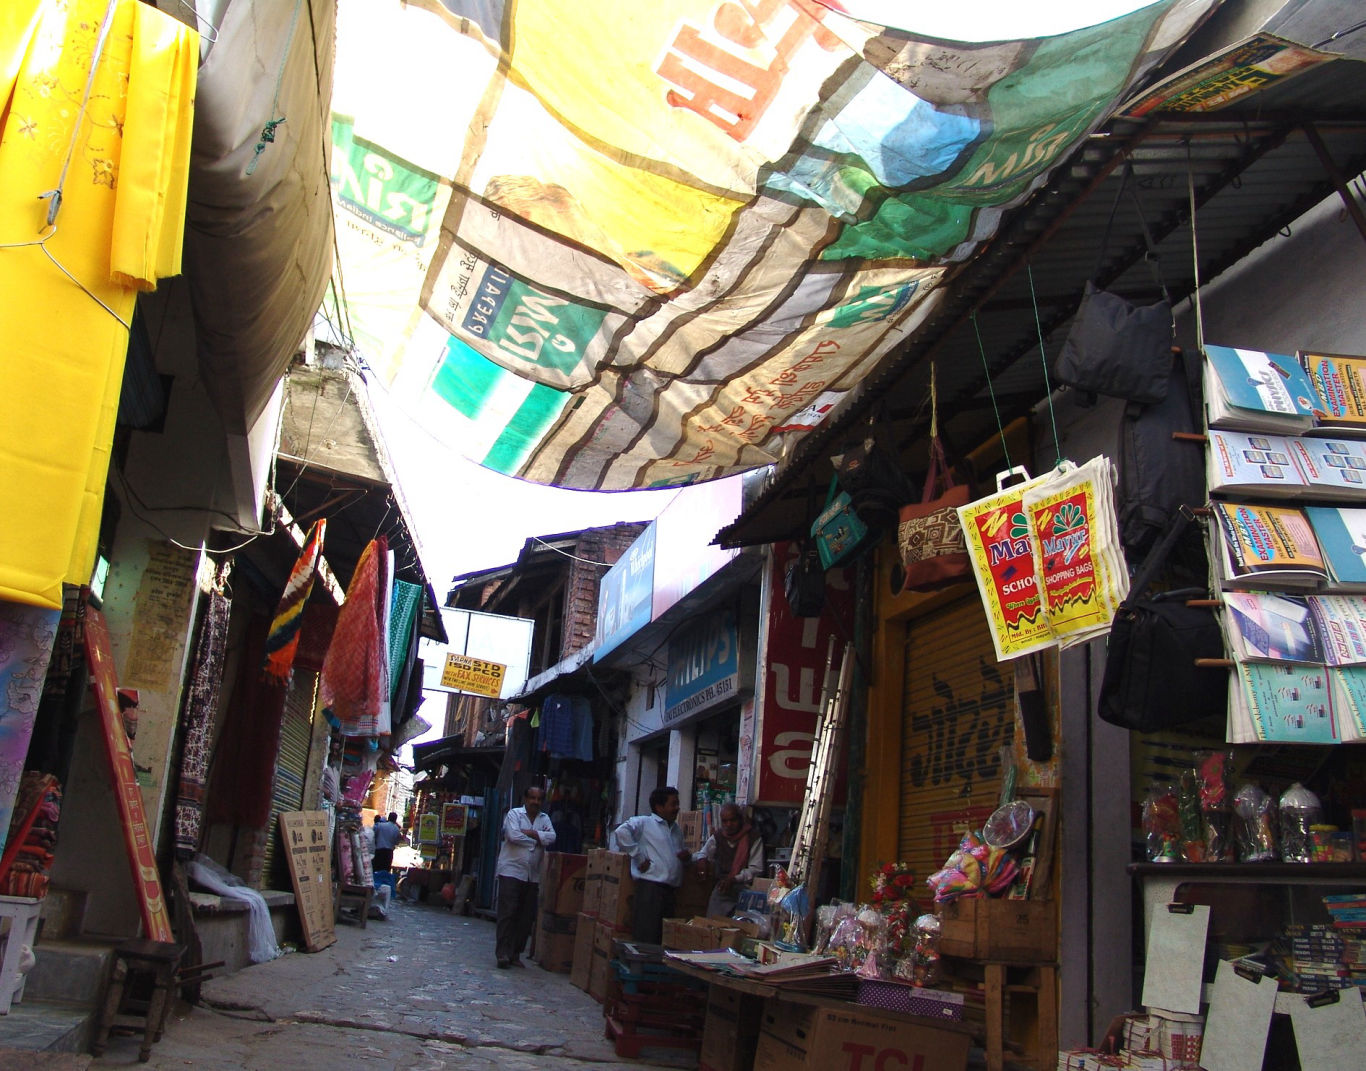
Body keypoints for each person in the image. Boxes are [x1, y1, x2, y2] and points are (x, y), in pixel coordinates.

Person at [612, 786, 691, 944]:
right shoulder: (644, 823)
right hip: (651, 889)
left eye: (677, 804)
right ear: (659, 807)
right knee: (647, 934)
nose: (677, 808)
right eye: (673, 804)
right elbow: (621, 833)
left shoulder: (676, 830)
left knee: (663, 938)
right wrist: (639, 856)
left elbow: (677, 854)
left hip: (670, 891)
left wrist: (686, 857)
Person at [494, 785, 555, 968]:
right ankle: (503, 953)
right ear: (525, 799)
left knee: (525, 916)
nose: (535, 802)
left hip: (532, 875)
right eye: (532, 798)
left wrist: (533, 833)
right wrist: (537, 840)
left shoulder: (545, 819)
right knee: (508, 912)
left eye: (538, 799)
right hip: (512, 870)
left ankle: (515, 953)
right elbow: (512, 836)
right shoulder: (514, 815)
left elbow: (552, 837)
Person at [693, 802, 764, 918]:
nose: (729, 825)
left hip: (746, 887)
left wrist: (734, 879)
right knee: (713, 922)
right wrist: (702, 860)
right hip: (723, 888)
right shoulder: (718, 836)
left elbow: (756, 869)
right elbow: (704, 852)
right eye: (725, 821)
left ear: (740, 820)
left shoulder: (753, 837)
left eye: (733, 820)